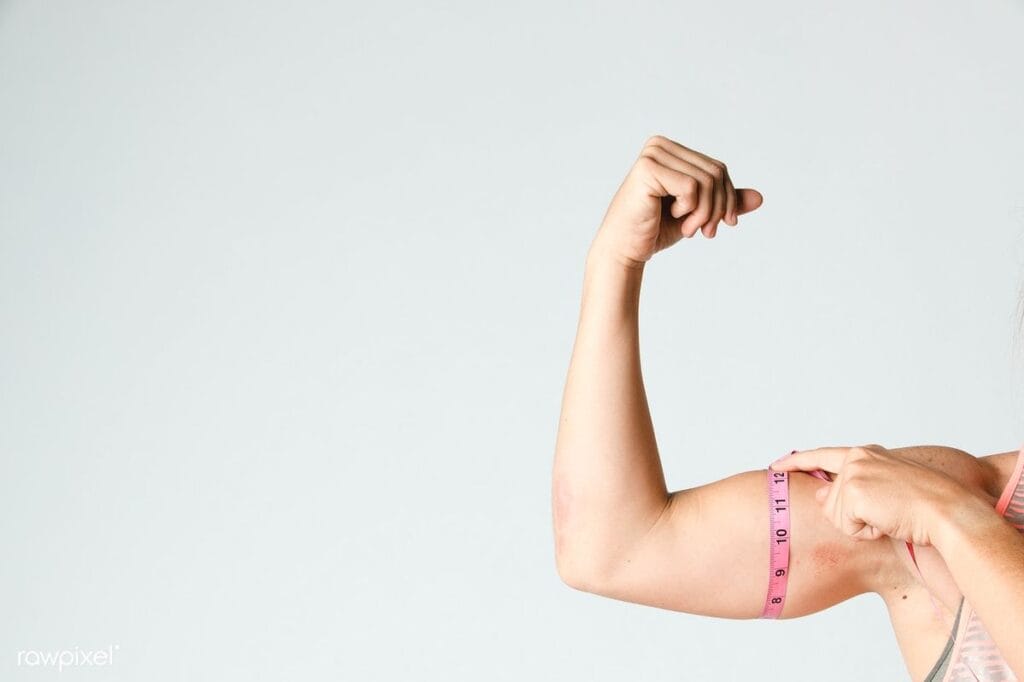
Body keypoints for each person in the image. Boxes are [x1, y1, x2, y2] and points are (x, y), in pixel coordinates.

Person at [550, 134, 1024, 681]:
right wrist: (614, 263)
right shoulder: (934, 504)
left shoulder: (938, 509)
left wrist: (954, 518)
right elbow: (608, 548)